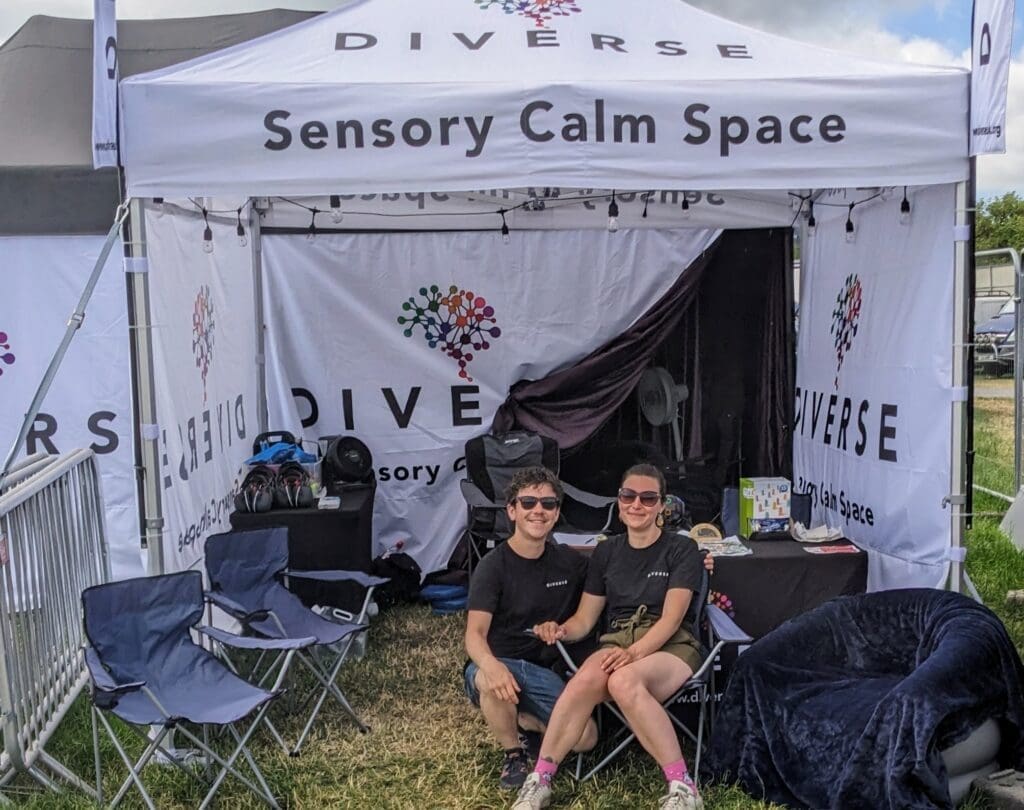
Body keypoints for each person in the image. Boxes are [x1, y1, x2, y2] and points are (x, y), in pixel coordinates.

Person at [513, 463, 707, 810]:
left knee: (622, 682)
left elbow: (672, 619)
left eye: (648, 498)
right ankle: (539, 779)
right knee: (585, 678)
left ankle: (683, 788)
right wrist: (561, 629)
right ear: (618, 501)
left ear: (662, 505)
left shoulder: (682, 549)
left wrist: (633, 653)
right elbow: (586, 619)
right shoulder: (606, 552)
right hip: (618, 640)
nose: (637, 504)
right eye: (628, 496)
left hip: (671, 644)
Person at [464, 466, 599, 790]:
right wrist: (491, 666)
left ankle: (526, 723)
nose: (538, 510)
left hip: (544, 671)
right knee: (492, 680)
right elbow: (474, 634)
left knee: (586, 739)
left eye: (548, 504)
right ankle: (514, 754)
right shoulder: (492, 566)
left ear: (556, 513)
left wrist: (698, 558)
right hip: (499, 664)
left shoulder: (569, 562)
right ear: (512, 511)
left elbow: (617, 568)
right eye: (528, 503)